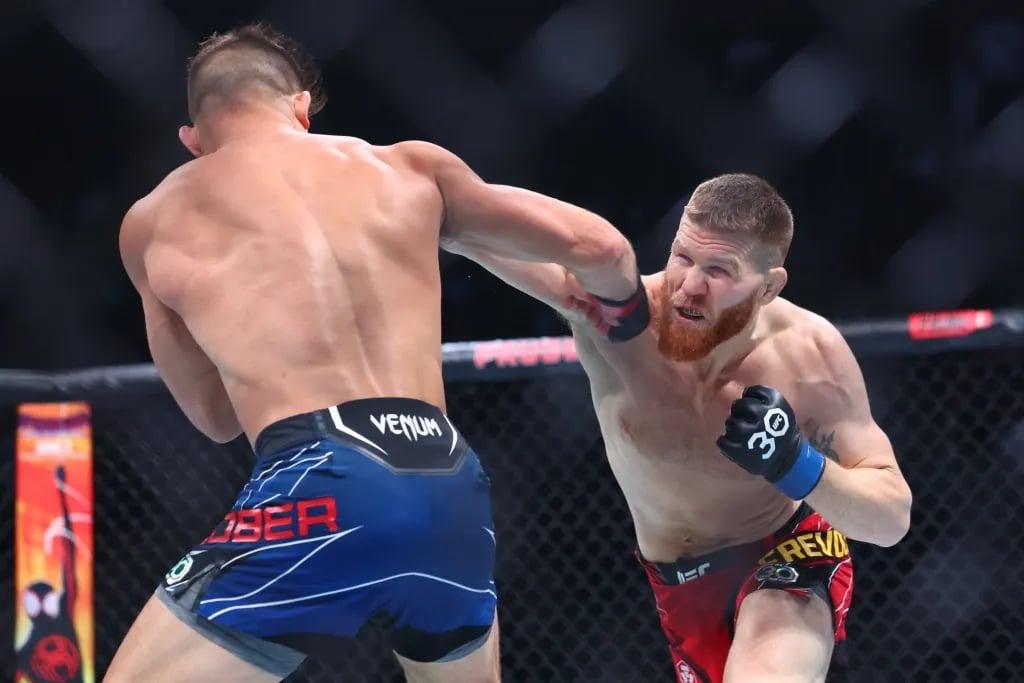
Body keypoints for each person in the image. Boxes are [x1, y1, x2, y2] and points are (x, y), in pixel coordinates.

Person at [108, 22, 640, 683]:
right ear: (301, 106)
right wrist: (629, 317)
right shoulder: (409, 166)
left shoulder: (154, 218)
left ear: (192, 141)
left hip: (318, 476)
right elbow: (604, 250)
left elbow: (216, 416)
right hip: (448, 477)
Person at [454, 173, 914, 683]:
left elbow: (891, 519)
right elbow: (470, 219)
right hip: (675, 584)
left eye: (720, 270)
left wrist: (797, 464)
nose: (690, 286)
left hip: (784, 560)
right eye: (683, 257)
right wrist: (416, 194)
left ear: (769, 287)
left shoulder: (808, 356)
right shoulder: (616, 316)